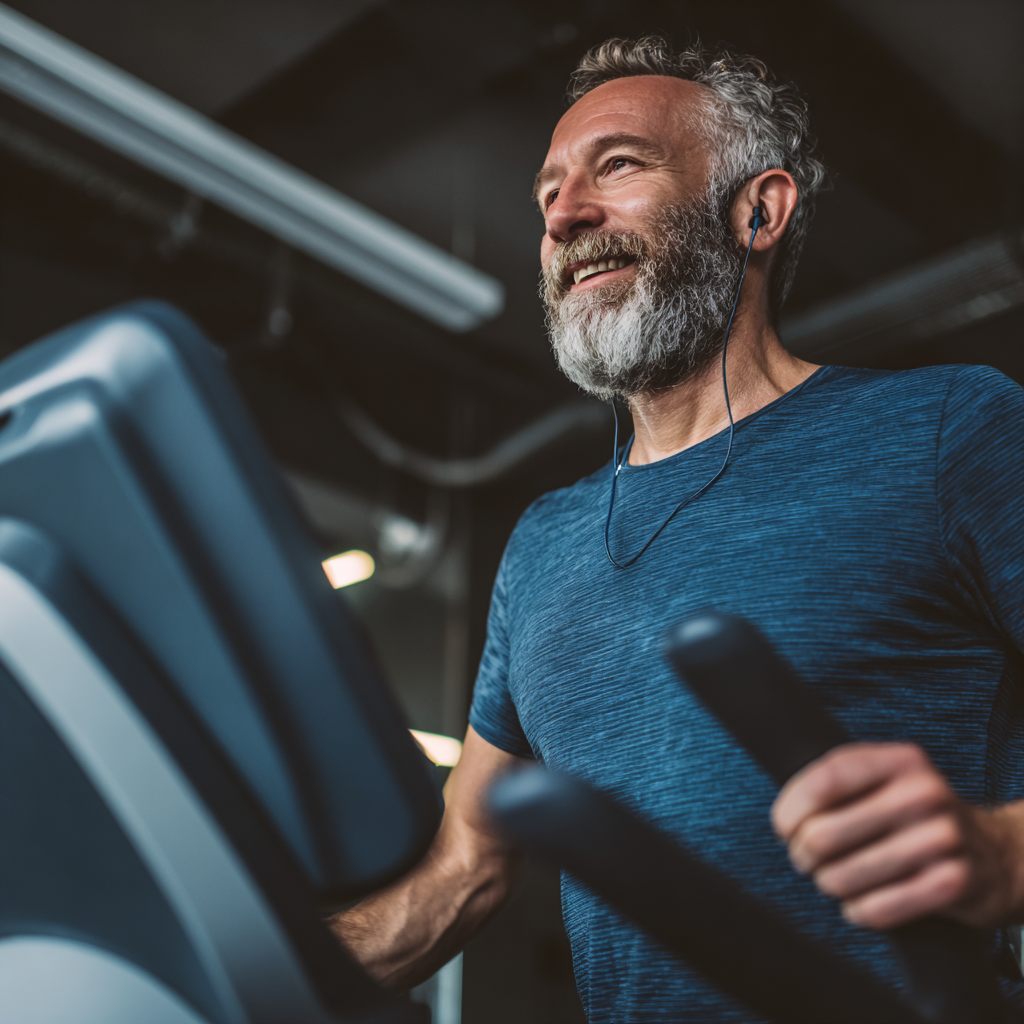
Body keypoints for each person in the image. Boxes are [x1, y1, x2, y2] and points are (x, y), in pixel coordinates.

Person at [331, 36, 1024, 1021]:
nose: (565, 215)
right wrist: (233, 966)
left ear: (757, 209)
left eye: (617, 166)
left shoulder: (950, 430)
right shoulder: (540, 543)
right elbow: (461, 874)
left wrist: (1002, 853)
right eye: (547, 195)